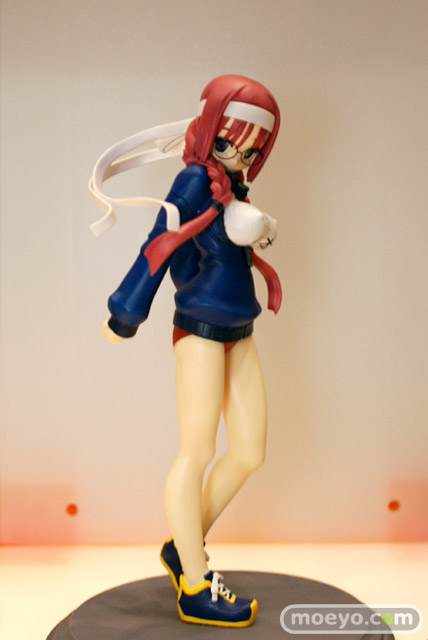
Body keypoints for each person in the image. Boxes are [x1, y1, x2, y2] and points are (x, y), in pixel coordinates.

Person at [90, 74, 281, 627]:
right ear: (208, 129)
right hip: (198, 328)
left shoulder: (232, 186)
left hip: (240, 326)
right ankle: (194, 586)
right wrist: (127, 311)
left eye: (251, 150)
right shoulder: (195, 180)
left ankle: (183, 545)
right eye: (228, 143)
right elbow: (160, 240)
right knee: (195, 451)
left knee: (249, 452)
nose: (239, 157)